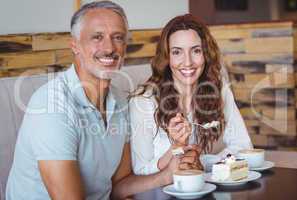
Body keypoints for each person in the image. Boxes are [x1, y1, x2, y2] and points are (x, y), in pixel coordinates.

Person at [6, 1, 131, 199]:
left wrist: (166, 174)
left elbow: (121, 187)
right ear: (75, 45)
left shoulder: (121, 101)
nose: (109, 48)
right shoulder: (51, 106)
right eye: (97, 37)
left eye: (118, 37)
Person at [128, 14, 253, 177]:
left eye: (195, 51)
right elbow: (141, 168)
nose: (187, 62)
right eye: (177, 52)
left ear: (206, 54)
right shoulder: (144, 101)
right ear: (167, 57)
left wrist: (203, 162)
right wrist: (174, 150)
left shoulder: (219, 90)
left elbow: (243, 146)